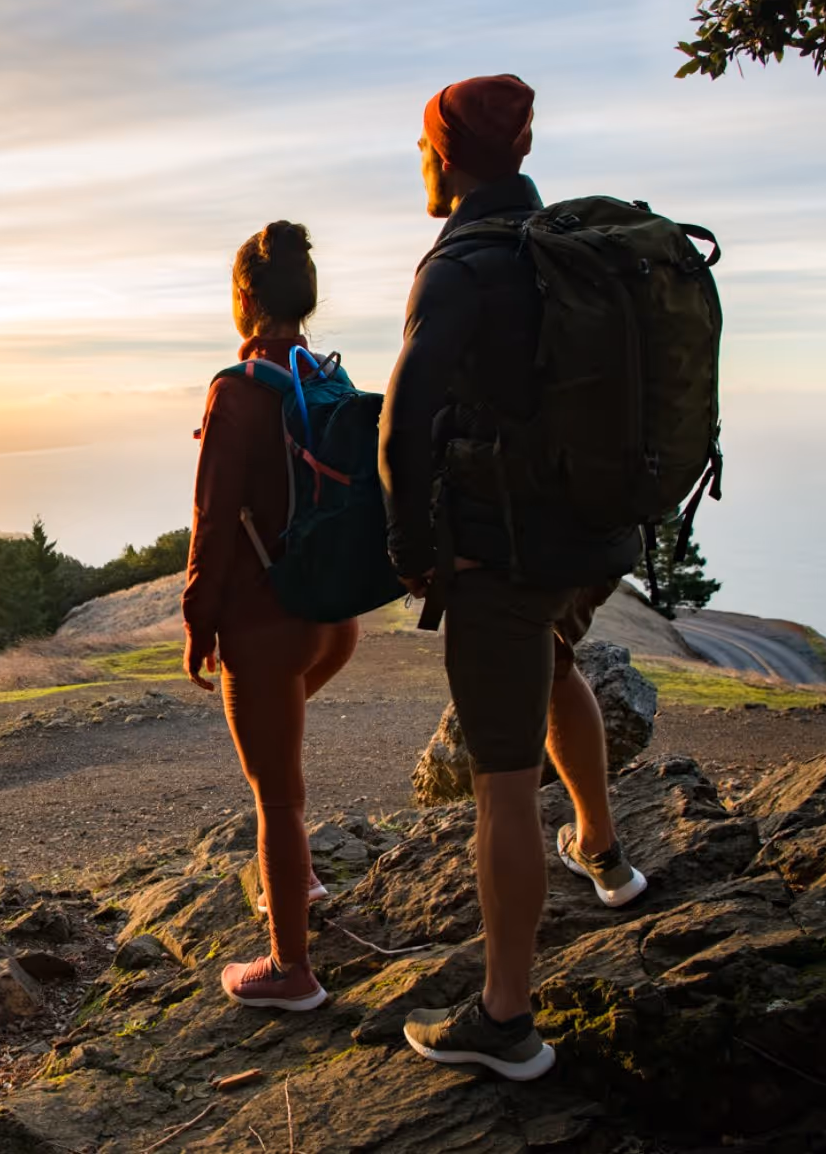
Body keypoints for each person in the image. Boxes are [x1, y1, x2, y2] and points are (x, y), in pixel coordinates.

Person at [378, 74, 650, 1080]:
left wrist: (413, 553)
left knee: (499, 778)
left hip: (505, 552)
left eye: (420, 149)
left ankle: (504, 1020)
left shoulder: (459, 264)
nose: (419, 163)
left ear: (444, 156)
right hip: (593, 539)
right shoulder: (564, 252)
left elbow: (400, 424)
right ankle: (605, 855)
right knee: (555, 666)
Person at [183, 220, 360, 1012]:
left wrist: (198, 622)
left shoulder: (238, 388)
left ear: (244, 298)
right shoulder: (325, 376)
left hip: (267, 621)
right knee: (280, 771)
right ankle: (302, 881)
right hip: (335, 617)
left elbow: (212, 523)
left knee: (276, 795)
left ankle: (292, 970)